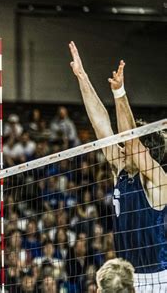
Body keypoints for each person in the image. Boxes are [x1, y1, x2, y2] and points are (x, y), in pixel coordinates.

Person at [69, 41, 167, 291]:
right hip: (128, 277)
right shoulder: (122, 170)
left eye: (126, 147)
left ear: (147, 151)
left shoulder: (159, 179)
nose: (120, 149)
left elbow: (131, 142)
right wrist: (82, 77)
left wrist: (120, 93)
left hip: (157, 280)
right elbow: (102, 127)